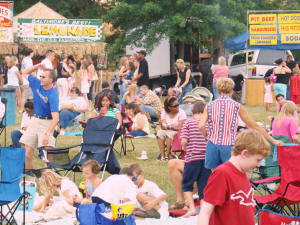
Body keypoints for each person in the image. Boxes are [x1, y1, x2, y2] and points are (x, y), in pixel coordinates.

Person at [199, 78, 282, 170]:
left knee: (215, 173)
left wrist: (206, 136)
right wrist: (273, 140)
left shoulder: (209, 105)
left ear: (218, 90)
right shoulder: (236, 106)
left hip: (212, 145)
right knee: (231, 173)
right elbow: (254, 125)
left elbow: (201, 125)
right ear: (231, 90)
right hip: (228, 145)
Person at [197, 129, 270, 225]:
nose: (258, 165)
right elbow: (206, 210)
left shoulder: (242, 174)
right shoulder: (222, 174)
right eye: (258, 160)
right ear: (245, 153)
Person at [20, 64, 59, 169]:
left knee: (47, 156)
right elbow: (24, 72)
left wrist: (47, 134)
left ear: (51, 80)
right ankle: (32, 178)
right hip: (35, 120)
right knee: (27, 153)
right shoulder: (36, 83)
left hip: (48, 122)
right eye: (40, 76)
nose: (40, 78)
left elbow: (56, 118)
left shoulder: (53, 95)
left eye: (43, 77)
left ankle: (49, 179)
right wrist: (36, 66)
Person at [180, 102, 211, 217]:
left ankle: (192, 208)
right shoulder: (207, 123)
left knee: (187, 184)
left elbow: (183, 141)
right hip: (206, 160)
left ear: (192, 113)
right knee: (203, 186)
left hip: (192, 159)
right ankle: (203, 211)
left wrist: (184, 147)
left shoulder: (188, 122)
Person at [157, 97, 186, 161]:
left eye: (178, 105)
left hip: (178, 131)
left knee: (169, 134)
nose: (177, 107)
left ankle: (167, 155)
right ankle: (162, 156)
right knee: (159, 133)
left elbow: (181, 128)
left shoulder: (181, 113)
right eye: (175, 106)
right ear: (169, 107)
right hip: (167, 130)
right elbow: (163, 128)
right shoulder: (164, 112)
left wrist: (172, 128)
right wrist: (162, 124)